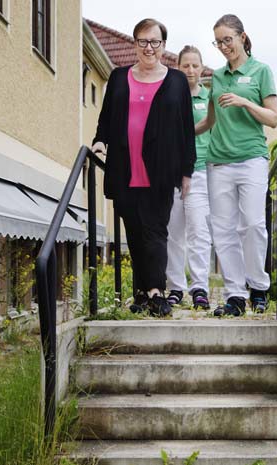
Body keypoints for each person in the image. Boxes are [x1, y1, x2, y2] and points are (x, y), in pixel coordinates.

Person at [92, 18, 196, 316]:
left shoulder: (176, 80)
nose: (149, 47)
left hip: (162, 168)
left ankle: (156, 291)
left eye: (155, 42)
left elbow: (186, 129)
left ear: (164, 45)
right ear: (134, 43)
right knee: (134, 231)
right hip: (125, 165)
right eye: (142, 41)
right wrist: (100, 141)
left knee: (155, 230)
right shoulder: (118, 76)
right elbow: (106, 115)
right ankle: (140, 291)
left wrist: (186, 170)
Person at [195, 14, 277, 317]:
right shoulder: (216, 76)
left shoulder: (261, 71)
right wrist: (179, 132)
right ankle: (235, 295)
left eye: (227, 39)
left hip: (251, 158)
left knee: (254, 225)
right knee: (223, 231)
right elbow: (210, 120)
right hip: (218, 161)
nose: (223, 46)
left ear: (243, 37)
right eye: (218, 42)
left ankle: (258, 287)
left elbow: (273, 118)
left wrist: (245, 102)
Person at [165, 46, 213, 310]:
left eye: (195, 66)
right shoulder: (171, 97)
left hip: (201, 170)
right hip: (173, 171)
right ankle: (175, 288)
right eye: (186, 66)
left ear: (203, 69)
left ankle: (199, 288)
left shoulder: (210, 99)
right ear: (178, 68)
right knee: (174, 232)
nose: (191, 71)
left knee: (198, 230)